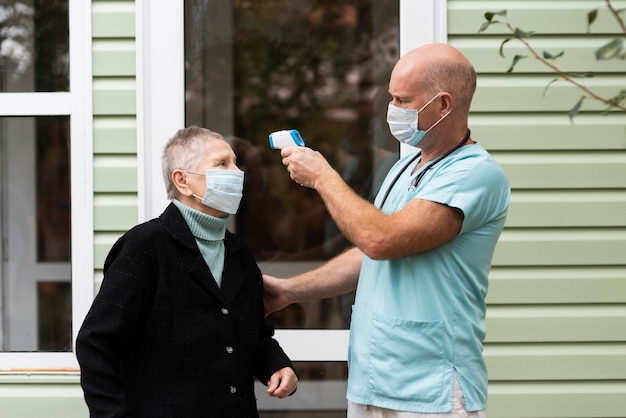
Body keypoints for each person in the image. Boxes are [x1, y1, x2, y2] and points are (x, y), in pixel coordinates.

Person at [263, 43, 510, 417]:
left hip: (431, 389)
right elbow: (370, 258)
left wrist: (323, 177)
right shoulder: (404, 168)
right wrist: (290, 290)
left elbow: (381, 240)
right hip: (373, 381)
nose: (391, 110)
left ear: (444, 105)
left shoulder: (475, 173)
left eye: (402, 100)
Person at [76, 126, 298, 418]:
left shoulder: (238, 252)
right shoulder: (144, 247)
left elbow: (252, 333)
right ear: (182, 181)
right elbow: (97, 344)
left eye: (234, 162)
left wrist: (277, 364)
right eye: (222, 163)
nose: (236, 171)